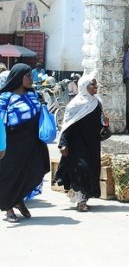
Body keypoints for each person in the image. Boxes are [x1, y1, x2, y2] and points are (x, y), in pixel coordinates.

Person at [0, 64, 50, 223]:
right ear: (18, 77)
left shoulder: (33, 94)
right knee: (10, 175)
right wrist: (1, 145)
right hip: (13, 144)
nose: (32, 78)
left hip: (33, 142)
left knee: (33, 170)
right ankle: (8, 207)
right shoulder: (5, 97)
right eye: (28, 75)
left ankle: (19, 199)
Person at [55, 75, 106, 212]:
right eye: (93, 84)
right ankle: (80, 200)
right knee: (82, 169)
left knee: (92, 169)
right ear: (84, 86)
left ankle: (84, 196)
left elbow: (101, 120)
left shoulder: (97, 102)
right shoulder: (75, 104)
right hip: (77, 142)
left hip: (93, 142)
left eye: (96, 84)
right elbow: (68, 125)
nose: (96, 87)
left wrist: (105, 124)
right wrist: (63, 143)